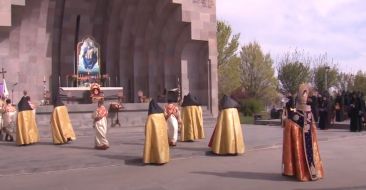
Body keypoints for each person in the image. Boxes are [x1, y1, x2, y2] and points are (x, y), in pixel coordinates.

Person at [282, 84, 324, 181]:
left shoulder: (296, 115)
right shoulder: (309, 113)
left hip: (302, 133)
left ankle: (301, 171)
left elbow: (290, 122)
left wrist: (285, 120)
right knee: (310, 148)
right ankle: (313, 171)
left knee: (302, 148)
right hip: (308, 133)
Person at [143, 99, 170, 164]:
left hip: (154, 135)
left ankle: (154, 159)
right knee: (161, 146)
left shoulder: (151, 116)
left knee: (154, 145)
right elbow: (165, 124)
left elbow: (148, 128)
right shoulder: (161, 114)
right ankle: (163, 158)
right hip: (162, 134)